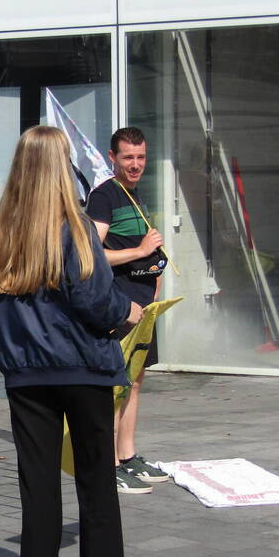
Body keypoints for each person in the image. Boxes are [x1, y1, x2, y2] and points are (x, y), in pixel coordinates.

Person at [0, 125, 140, 557]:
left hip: (28, 377)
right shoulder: (76, 229)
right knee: (96, 485)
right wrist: (128, 313)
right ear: (62, 167)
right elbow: (96, 300)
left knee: (39, 490)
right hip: (84, 368)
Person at [85, 127, 170, 495]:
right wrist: (138, 252)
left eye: (140, 158)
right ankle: (106, 464)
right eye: (128, 158)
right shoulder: (104, 196)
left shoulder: (133, 194)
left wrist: (153, 268)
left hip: (144, 302)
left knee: (135, 382)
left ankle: (127, 455)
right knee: (116, 384)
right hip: (120, 305)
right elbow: (91, 253)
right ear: (111, 158)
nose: (135, 165)